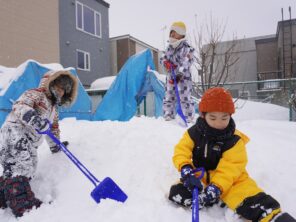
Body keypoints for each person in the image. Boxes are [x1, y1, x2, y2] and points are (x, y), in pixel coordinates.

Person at [168, 87, 296, 222]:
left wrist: (217, 187)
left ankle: (274, 217)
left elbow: (231, 168)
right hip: (202, 179)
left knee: (251, 198)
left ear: (230, 115)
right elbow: (181, 151)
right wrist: (186, 169)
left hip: (231, 181)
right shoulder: (193, 133)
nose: (219, 123)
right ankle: (213, 200)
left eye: (224, 118)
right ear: (203, 115)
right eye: (213, 118)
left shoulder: (234, 140)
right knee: (177, 192)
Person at [0, 70, 78, 217]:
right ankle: (22, 204)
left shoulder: (53, 110)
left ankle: (4, 197)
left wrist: (56, 147)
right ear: (49, 83)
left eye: (63, 90)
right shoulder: (36, 94)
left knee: (23, 167)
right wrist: (34, 118)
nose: (60, 92)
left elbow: (52, 130)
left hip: (28, 141)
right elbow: (20, 106)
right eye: (58, 87)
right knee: (22, 166)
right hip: (15, 131)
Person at [160, 21, 195, 123]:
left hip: (183, 79)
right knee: (168, 96)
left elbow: (187, 61)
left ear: (181, 34)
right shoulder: (169, 48)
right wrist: (165, 62)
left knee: (185, 98)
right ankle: (168, 115)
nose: (171, 34)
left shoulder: (187, 48)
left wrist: (180, 73)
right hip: (171, 77)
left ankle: (188, 117)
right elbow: (162, 58)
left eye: (174, 32)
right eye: (171, 32)